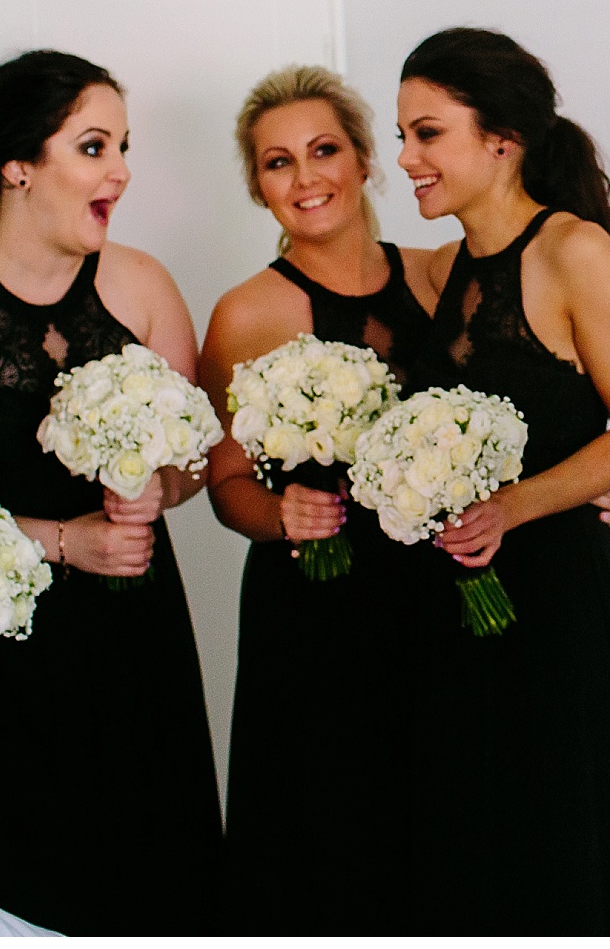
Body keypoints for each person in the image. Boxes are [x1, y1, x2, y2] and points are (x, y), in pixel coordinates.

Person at [0, 50, 221, 934]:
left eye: (123, 146)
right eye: (92, 147)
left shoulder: (144, 284)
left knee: (153, 862)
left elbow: (192, 464)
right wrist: (62, 539)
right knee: (21, 873)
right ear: (17, 166)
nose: (119, 170)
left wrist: (157, 487)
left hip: (136, 628)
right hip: (2, 648)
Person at [395, 27, 610, 933]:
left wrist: (510, 506)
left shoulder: (574, 252)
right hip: (457, 618)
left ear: (502, 139)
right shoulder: (440, 269)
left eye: (427, 135)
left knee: (564, 849)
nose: (406, 159)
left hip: (560, 613)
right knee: (476, 853)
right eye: (402, 137)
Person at [199, 65, 441, 933]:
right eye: (277, 162)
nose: (305, 179)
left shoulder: (441, 275)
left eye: (324, 150)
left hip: (435, 597)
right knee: (328, 838)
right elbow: (224, 482)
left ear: (368, 158)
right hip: (315, 616)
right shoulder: (246, 312)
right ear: (258, 185)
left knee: (440, 818)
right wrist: (282, 516)